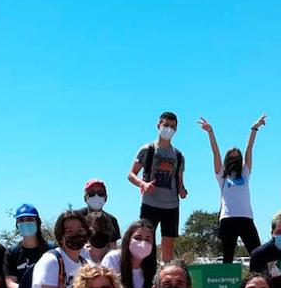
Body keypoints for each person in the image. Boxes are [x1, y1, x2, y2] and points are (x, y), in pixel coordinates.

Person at [198, 113, 266, 263]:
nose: (234, 159)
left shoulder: (245, 173)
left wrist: (254, 128)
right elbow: (215, 152)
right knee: (227, 257)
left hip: (246, 218)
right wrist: (210, 132)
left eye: (237, 157)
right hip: (228, 219)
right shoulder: (222, 175)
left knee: (257, 253)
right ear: (227, 159)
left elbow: (249, 149)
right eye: (231, 157)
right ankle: (226, 285)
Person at [127, 111, 186, 262]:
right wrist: (143, 184)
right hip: (150, 204)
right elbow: (131, 174)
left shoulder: (179, 155)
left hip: (171, 206)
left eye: (172, 126)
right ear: (158, 125)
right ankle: (145, 277)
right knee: (145, 244)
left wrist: (182, 190)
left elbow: (180, 181)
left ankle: (165, 276)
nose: (168, 129)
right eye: (166, 125)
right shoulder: (148, 150)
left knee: (168, 246)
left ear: (176, 130)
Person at [102, 219, 157, 288]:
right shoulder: (113, 259)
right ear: (128, 240)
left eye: (148, 239)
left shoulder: (153, 266)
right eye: (138, 238)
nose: (143, 243)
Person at [76, 179, 122, 245]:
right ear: (85, 198)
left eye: (100, 193)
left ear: (106, 198)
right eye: (91, 193)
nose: (96, 196)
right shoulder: (77, 217)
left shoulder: (112, 220)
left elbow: (112, 247)